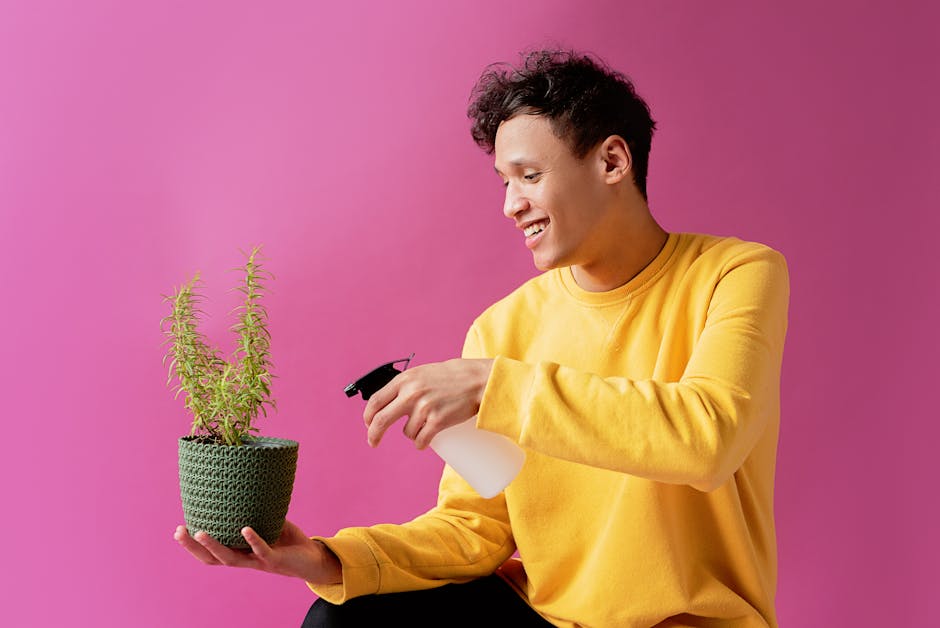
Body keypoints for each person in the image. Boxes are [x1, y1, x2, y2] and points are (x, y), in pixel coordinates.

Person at [175, 49, 789, 628]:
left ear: (611, 162)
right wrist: (329, 560)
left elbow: (708, 438)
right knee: (344, 617)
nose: (509, 205)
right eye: (502, 181)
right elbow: (476, 526)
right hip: (540, 616)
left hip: (685, 619)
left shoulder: (734, 274)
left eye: (528, 175)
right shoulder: (501, 328)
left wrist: (493, 384)